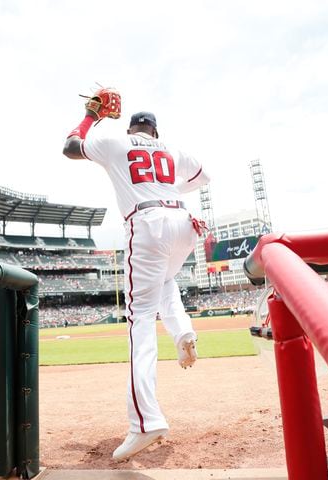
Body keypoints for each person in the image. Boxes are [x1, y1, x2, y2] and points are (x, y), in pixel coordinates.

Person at [63, 100, 210, 461]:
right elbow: (204, 178)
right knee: (165, 281)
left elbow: (70, 148)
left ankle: (145, 421)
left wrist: (92, 116)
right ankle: (183, 332)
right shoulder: (172, 150)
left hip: (148, 223)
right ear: (155, 133)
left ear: (132, 130)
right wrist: (164, 185)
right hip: (183, 223)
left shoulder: (116, 141)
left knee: (140, 319)